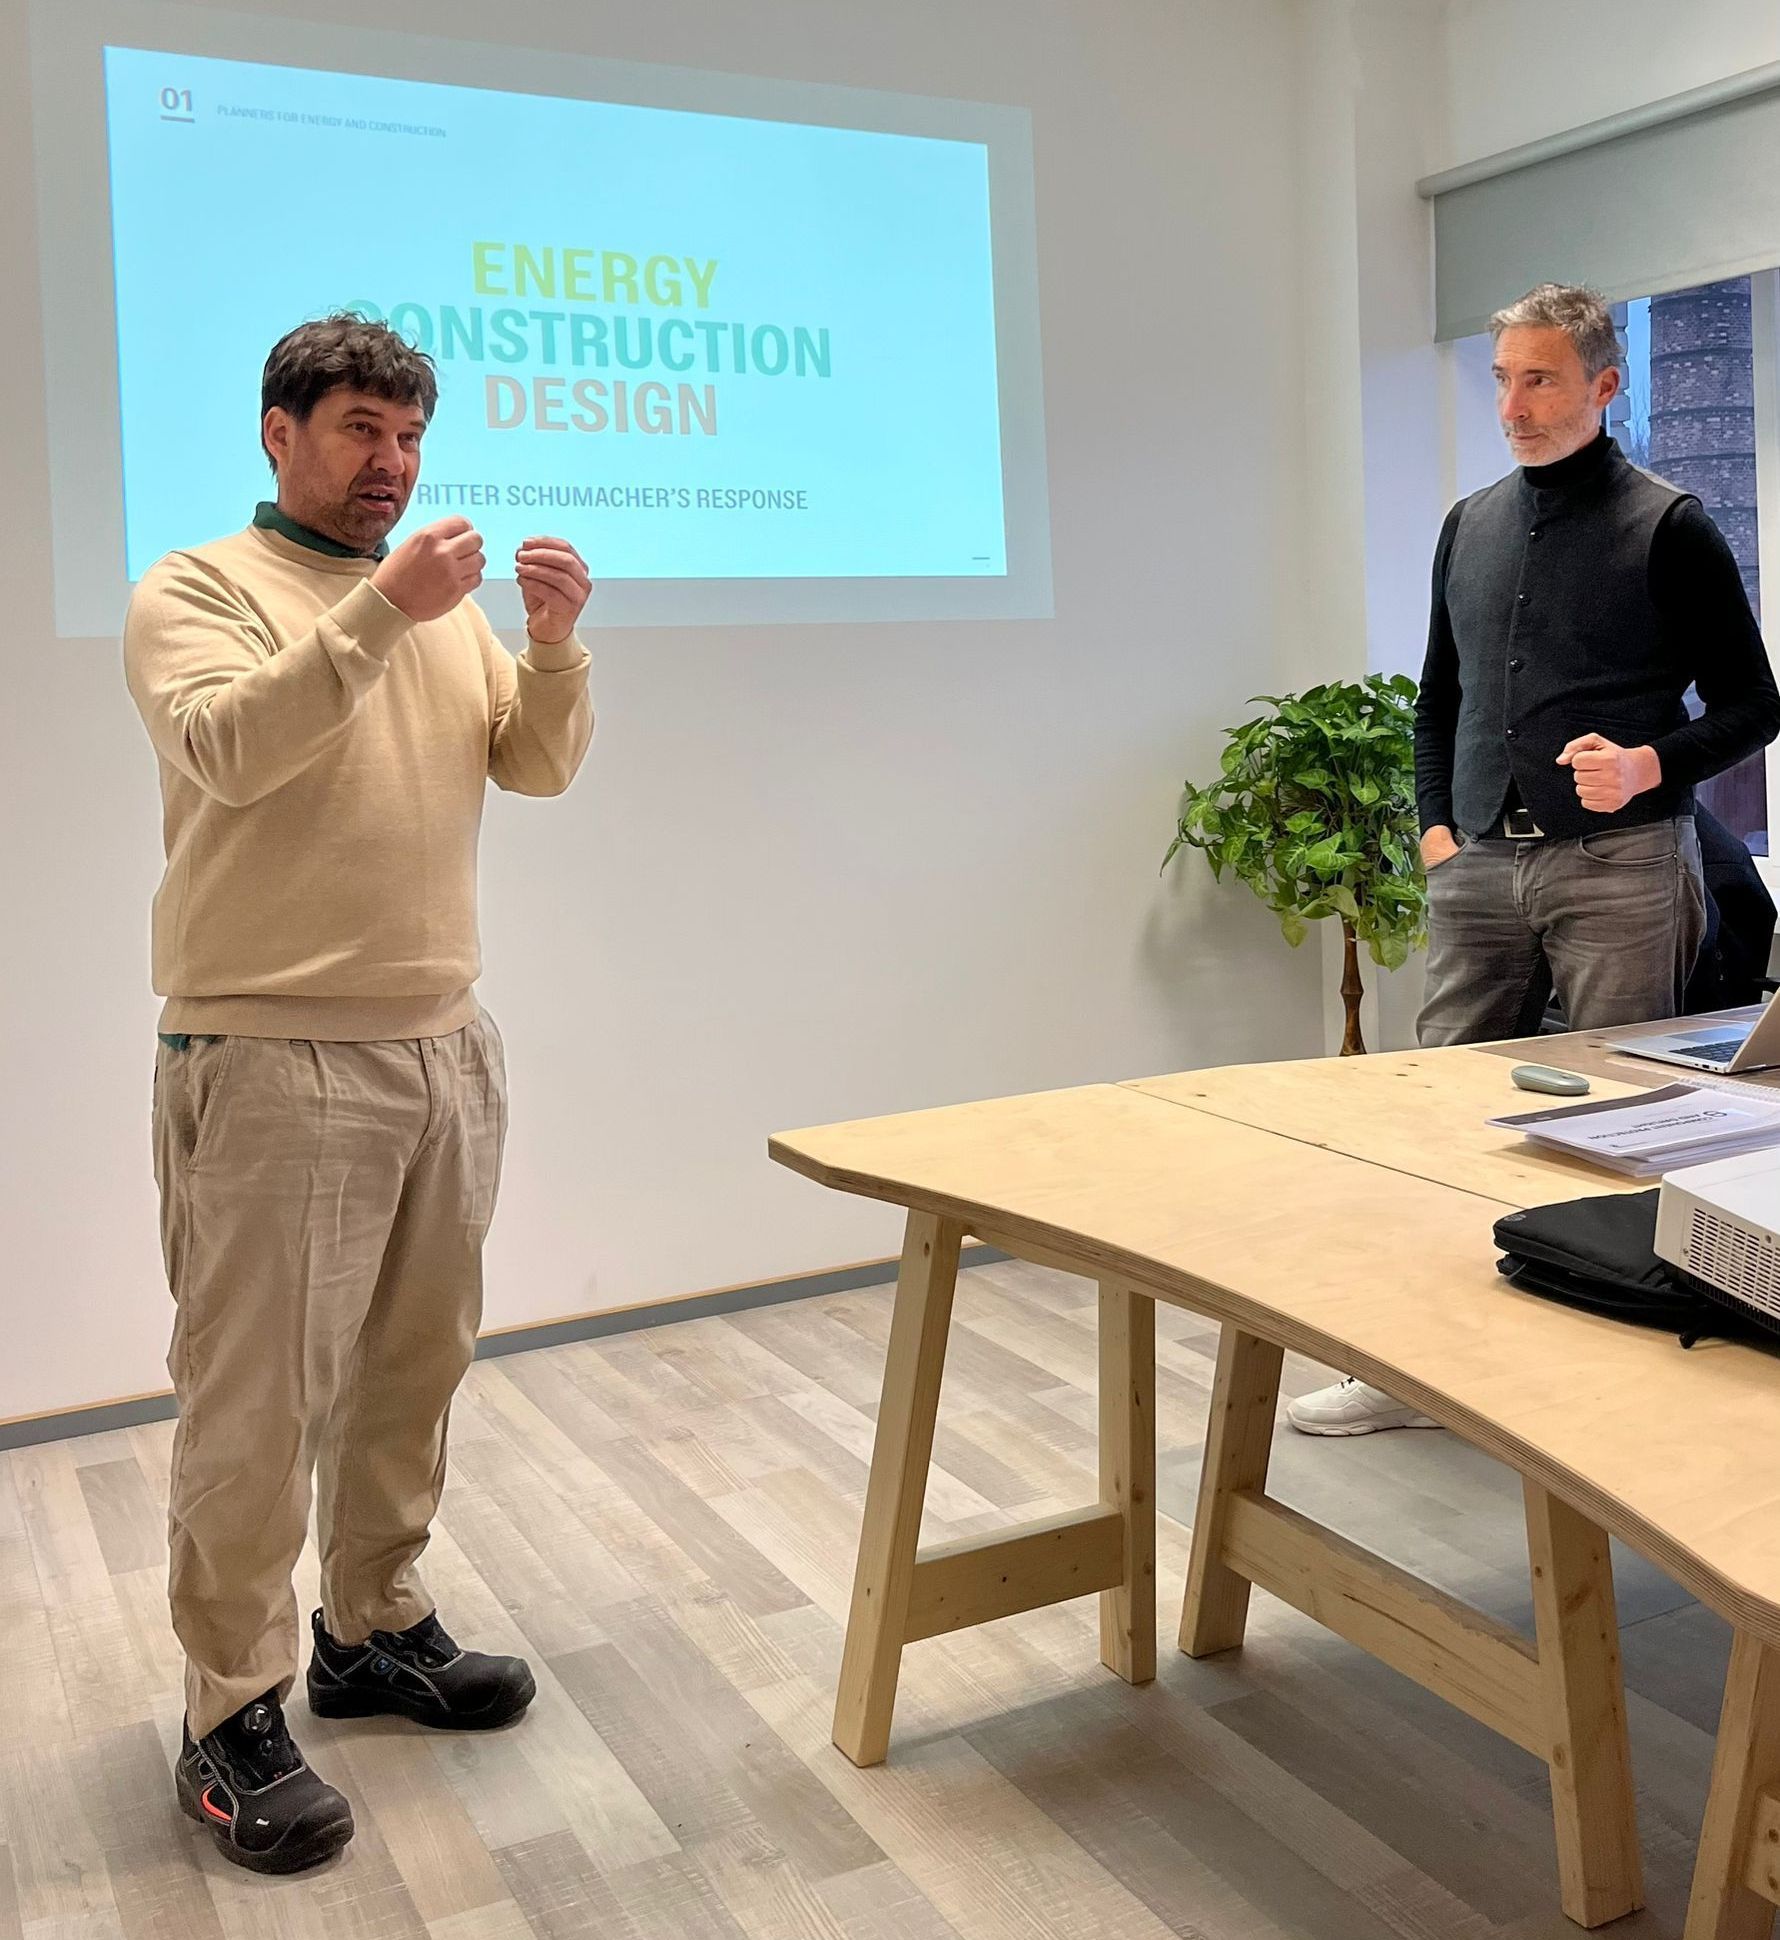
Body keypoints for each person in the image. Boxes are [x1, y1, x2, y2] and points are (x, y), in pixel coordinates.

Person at [123, 313, 595, 1868]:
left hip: (443, 1042)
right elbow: (229, 748)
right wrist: (382, 612)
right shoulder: (197, 588)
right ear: (279, 433)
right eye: (357, 431)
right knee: (254, 1402)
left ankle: (373, 1629)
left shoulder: (436, 605)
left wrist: (551, 647)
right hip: (268, 1051)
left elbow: (533, 766)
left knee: (412, 1368)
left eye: (407, 436)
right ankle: (227, 1715)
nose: (390, 463)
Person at [1291, 282, 1780, 1437]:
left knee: (1622, 1126)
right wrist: (1435, 829)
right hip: (1474, 866)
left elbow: (1754, 703)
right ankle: (1415, 1374)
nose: (1512, 404)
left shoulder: (1669, 525)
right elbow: (1439, 699)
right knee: (1442, 1116)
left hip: (1620, 865)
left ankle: (1605, 1405)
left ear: (1604, 385)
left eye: (1540, 379)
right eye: (1503, 379)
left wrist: (1648, 763)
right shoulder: (1468, 524)